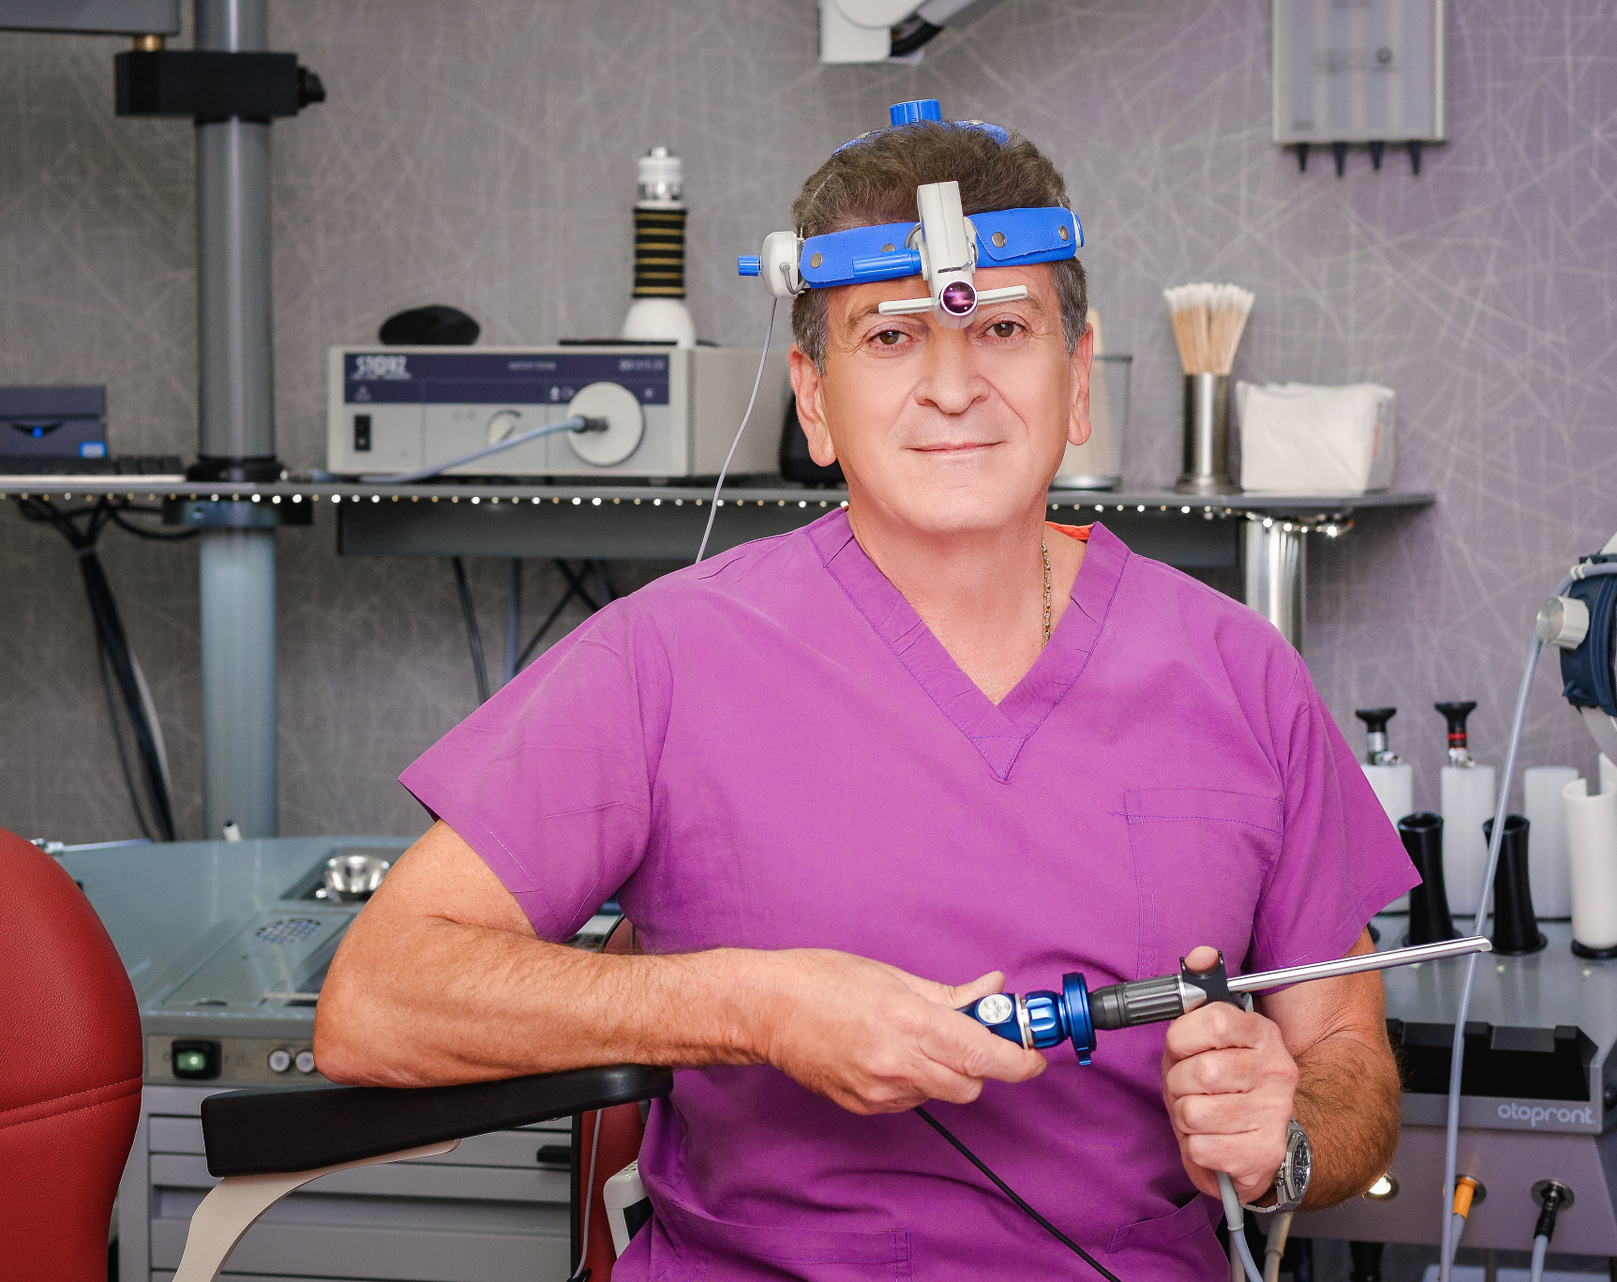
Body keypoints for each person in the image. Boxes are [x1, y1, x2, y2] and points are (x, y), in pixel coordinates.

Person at [315, 111, 1417, 1280]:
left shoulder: (1238, 672)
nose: (953, 387)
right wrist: (754, 1005)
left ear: (1079, 377)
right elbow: (377, 1001)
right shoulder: (663, 659)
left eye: (1004, 328)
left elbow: (1350, 1061)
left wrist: (1289, 1137)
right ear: (813, 399)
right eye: (890, 337)